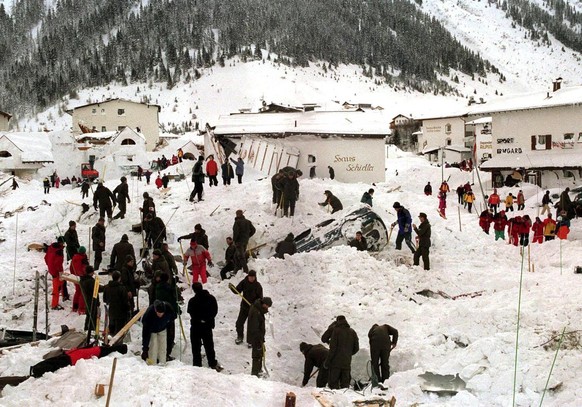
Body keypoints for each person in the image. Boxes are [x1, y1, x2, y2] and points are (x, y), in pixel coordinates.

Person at [188, 282, 222, 371]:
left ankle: (197, 364)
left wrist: (199, 319)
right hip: (207, 326)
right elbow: (215, 311)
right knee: (209, 345)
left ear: (194, 290)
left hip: (196, 326)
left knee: (196, 346)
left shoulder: (192, 301)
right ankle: (212, 363)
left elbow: (191, 313)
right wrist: (207, 319)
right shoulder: (211, 298)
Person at [324, 315, 359, 389]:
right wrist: (348, 353)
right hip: (347, 362)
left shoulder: (336, 331)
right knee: (345, 387)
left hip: (335, 363)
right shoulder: (352, 332)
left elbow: (332, 348)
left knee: (333, 386)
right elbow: (356, 348)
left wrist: (327, 361)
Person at [231, 270, 263, 345]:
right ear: (248, 276)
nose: (251, 278)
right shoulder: (244, 282)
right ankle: (240, 337)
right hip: (244, 307)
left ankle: (251, 341)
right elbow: (237, 290)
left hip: (253, 309)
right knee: (239, 323)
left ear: (255, 277)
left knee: (252, 326)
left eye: (253, 277)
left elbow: (260, 298)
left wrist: (255, 304)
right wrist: (233, 288)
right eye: (250, 277)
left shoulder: (258, 286)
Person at [141, 300, 176, 365]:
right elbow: (145, 332)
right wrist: (145, 348)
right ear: (155, 310)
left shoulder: (169, 309)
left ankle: (162, 362)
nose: (160, 315)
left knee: (163, 347)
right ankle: (152, 364)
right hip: (152, 330)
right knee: (153, 347)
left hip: (163, 328)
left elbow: (172, 319)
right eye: (158, 313)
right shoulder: (149, 314)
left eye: (162, 313)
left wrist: (170, 334)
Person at [154, 272, 177, 360]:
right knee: (170, 335)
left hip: (160, 313)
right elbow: (173, 301)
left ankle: (160, 352)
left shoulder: (157, 287)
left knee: (162, 333)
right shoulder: (169, 289)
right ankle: (166, 353)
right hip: (169, 314)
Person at [247, 296, 272, 376]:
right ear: (264, 303)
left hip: (259, 337)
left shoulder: (258, 309)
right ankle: (255, 372)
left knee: (260, 353)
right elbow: (255, 327)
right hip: (256, 338)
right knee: (256, 355)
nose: (267, 308)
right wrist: (259, 339)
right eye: (267, 306)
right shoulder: (256, 311)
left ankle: (259, 370)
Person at [103, 270, 129, 337]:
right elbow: (125, 301)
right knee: (119, 331)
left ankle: (110, 343)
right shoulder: (122, 288)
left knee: (111, 329)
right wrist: (128, 309)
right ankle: (117, 344)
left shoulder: (107, 287)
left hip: (111, 311)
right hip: (121, 313)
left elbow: (105, 299)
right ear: (119, 278)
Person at [45, 237, 65, 310]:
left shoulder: (51, 247)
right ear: (61, 243)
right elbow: (58, 263)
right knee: (57, 288)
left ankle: (57, 301)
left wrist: (50, 266)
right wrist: (60, 272)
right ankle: (54, 305)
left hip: (51, 269)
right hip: (56, 272)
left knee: (58, 286)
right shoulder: (59, 251)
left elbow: (46, 258)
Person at [232, 210, 256, 274]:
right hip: (245, 241)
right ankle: (237, 270)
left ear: (237, 214)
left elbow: (236, 232)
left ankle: (246, 271)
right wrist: (248, 236)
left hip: (239, 242)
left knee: (241, 257)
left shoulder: (237, 222)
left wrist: (234, 240)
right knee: (236, 256)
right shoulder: (248, 222)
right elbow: (253, 230)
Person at [80, 266, 101, 332]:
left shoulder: (83, 279)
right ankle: (91, 330)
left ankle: (87, 328)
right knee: (92, 316)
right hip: (92, 300)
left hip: (87, 299)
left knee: (89, 315)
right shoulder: (90, 281)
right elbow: (98, 288)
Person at [70, 246, 89, 313]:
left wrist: (73, 274)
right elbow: (85, 268)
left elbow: (71, 267)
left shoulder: (74, 257)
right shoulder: (83, 258)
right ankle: (81, 309)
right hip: (82, 277)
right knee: (82, 293)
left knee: (77, 291)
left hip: (75, 276)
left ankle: (75, 307)